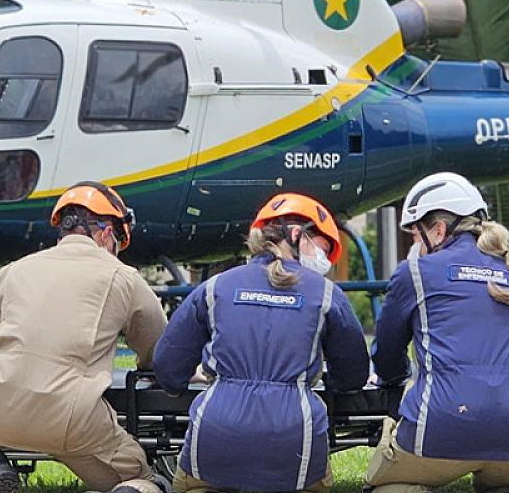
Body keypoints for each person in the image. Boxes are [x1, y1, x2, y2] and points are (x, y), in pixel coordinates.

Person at [0, 181, 168, 493]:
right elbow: (159, 352)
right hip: (73, 423)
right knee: (142, 476)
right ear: (105, 233)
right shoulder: (122, 276)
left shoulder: (12, 271)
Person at [153, 193, 370, 493]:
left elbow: (167, 368)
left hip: (214, 441)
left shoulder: (214, 288)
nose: (325, 260)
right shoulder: (327, 294)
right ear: (297, 234)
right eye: (323, 247)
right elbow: (353, 377)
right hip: (294, 446)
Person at [366, 172, 509, 493]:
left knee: (382, 484)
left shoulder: (415, 272)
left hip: (442, 428)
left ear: (438, 230)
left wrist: (393, 380)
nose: (415, 243)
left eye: (416, 234)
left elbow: (387, 352)